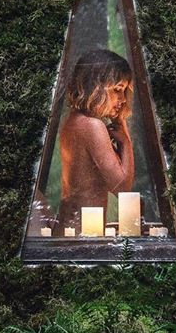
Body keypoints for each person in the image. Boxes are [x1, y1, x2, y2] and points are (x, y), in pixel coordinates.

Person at [58, 49, 136, 229]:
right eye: (117, 90)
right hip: (82, 235)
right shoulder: (93, 126)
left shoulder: (74, 121)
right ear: (96, 87)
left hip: (72, 230)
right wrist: (125, 140)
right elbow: (123, 189)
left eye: (124, 91)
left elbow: (106, 181)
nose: (123, 99)